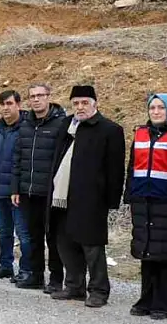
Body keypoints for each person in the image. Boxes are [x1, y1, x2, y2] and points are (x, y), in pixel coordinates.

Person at [49, 85, 125, 308]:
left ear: (95, 104)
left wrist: (111, 200)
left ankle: (99, 290)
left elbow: (115, 169)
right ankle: (74, 286)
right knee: (65, 242)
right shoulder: (66, 125)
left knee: (92, 246)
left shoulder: (110, 129)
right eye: (76, 103)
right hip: (61, 195)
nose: (80, 107)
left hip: (91, 198)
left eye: (84, 103)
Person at [127, 93, 167, 320]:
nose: (155, 112)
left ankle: (164, 305)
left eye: (161, 108)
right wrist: (130, 194)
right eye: (152, 108)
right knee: (147, 252)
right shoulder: (141, 133)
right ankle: (146, 299)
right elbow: (132, 166)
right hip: (143, 200)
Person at [11, 83, 67, 291]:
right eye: (32, 96)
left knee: (53, 238)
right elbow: (18, 157)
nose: (36, 99)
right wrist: (15, 187)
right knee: (33, 236)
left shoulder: (61, 124)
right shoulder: (25, 124)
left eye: (40, 95)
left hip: (50, 192)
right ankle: (35, 275)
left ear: (48, 97)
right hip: (28, 191)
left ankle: (56, 279)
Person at [0, 90, 30, 281]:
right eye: (3, 104)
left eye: (9, 103)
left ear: (18, 105)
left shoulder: (27, 128)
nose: (6, 108)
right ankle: (5, 265)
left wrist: (19, 188)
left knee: (23, 233)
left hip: (17, 192)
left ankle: (26, 269)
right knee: (4, 231)